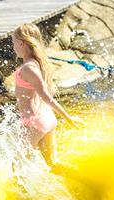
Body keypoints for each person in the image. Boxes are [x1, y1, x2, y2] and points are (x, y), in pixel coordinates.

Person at [11, 23, 84, 166]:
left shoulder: (28, 68)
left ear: (20, 43)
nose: (13, 47)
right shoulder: (36, 63)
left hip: (34, 122)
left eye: (13, 43)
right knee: (53, 166)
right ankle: (86, 182)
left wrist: (69, 118)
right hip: (45, 117)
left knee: (16, 166)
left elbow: (46, 96)